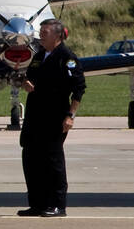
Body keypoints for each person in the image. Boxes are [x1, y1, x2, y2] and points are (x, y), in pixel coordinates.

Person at [19, 18, 85, 217]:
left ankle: (58, 204)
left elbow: (79, 89)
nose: (41, 35)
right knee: (31, 158)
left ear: (57, 36)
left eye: (45, 32)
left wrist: (70, 116)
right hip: (34, 117)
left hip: (54, 117)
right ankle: (37, 203)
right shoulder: (39, 56)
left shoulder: (67, 58)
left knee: (53, 160)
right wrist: (26, 83)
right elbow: (29, 77)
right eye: (41, 32)